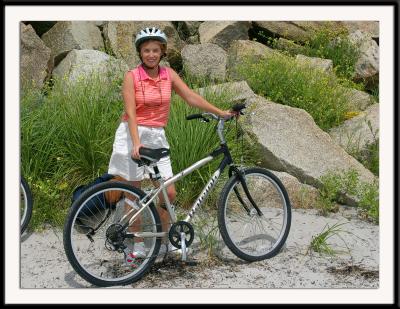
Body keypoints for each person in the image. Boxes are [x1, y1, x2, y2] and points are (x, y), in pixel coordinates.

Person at [108, 27, 235, 267]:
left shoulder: (168, 75)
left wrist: (220, 112)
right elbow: (131, 113)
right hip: (132, 134)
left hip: (157, 135)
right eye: (146, 50)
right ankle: (135, 248)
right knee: (133, 194)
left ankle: (164, 244)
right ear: (140, 52)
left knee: (169, 192)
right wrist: (136, 143)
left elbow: (190, 97)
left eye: (155, 50)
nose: (151, 54)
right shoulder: (131, 76)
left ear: (162, 51)